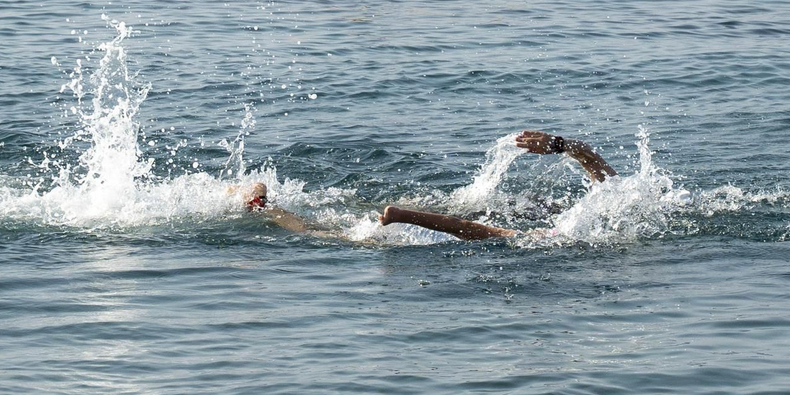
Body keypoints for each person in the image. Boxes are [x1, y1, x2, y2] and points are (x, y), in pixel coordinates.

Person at [241, 130, 616, 241]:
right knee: (334, 230)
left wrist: (409, 216)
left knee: (340, 225)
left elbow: (477, 231)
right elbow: (480, 232)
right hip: (463, 214)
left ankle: (261, 203)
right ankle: (261, 206)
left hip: (461, 210)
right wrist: (562, 146)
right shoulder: (575, 227)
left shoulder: (576, 220)